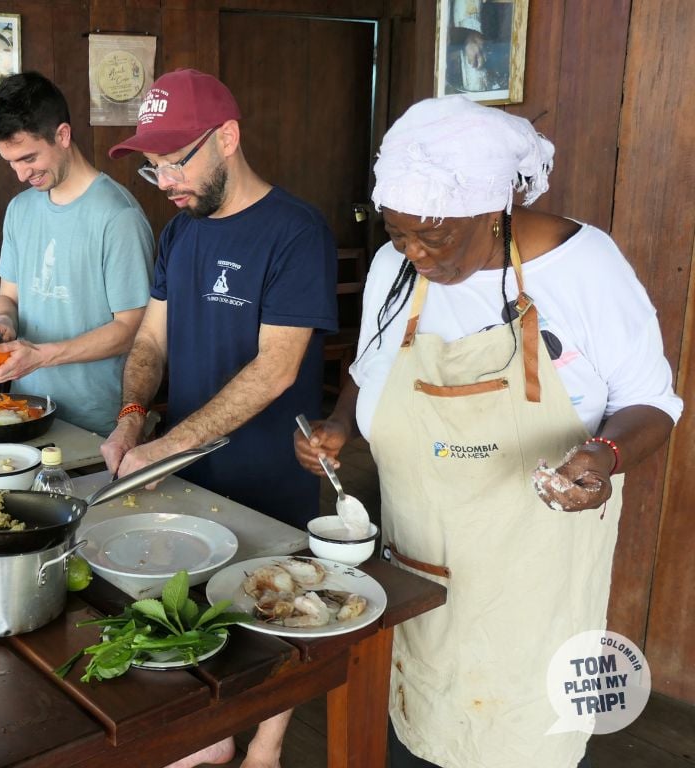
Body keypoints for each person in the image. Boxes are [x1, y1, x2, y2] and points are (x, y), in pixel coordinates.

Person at [294, 95, 682, 768]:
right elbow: (371, 365)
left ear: (495, 206)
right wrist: (338, 425)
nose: (414, 253)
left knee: (524, 738)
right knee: (419, 726)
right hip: (417, 569)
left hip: (533, 583)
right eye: (398, 233)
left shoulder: (584, 266)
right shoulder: (394, 269)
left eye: (434, 236)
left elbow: (652, 402)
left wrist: (603, 454)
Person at [101, 68, 338, 767]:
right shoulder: (180, 232)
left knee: (273, 604)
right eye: (153, 167)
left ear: (227, 138)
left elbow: (277, 368)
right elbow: (150, 340)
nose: (165, 181)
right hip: (187, 467)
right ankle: (213, 736)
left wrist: (166, 445)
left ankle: (266, 745)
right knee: (195, 599)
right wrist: (132, 419)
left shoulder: (296, 231)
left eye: (176, 161)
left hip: (269, 467)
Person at [0, 71, 154, 435]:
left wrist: (42, 357)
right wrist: (3, 324)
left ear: (62, 135)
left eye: (28, 158)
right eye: (11, 162)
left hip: (96, 425)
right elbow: (9, 296)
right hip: (24, 413)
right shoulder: (20, 209)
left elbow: (132, 330)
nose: (21, 174)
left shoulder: (118, 216)